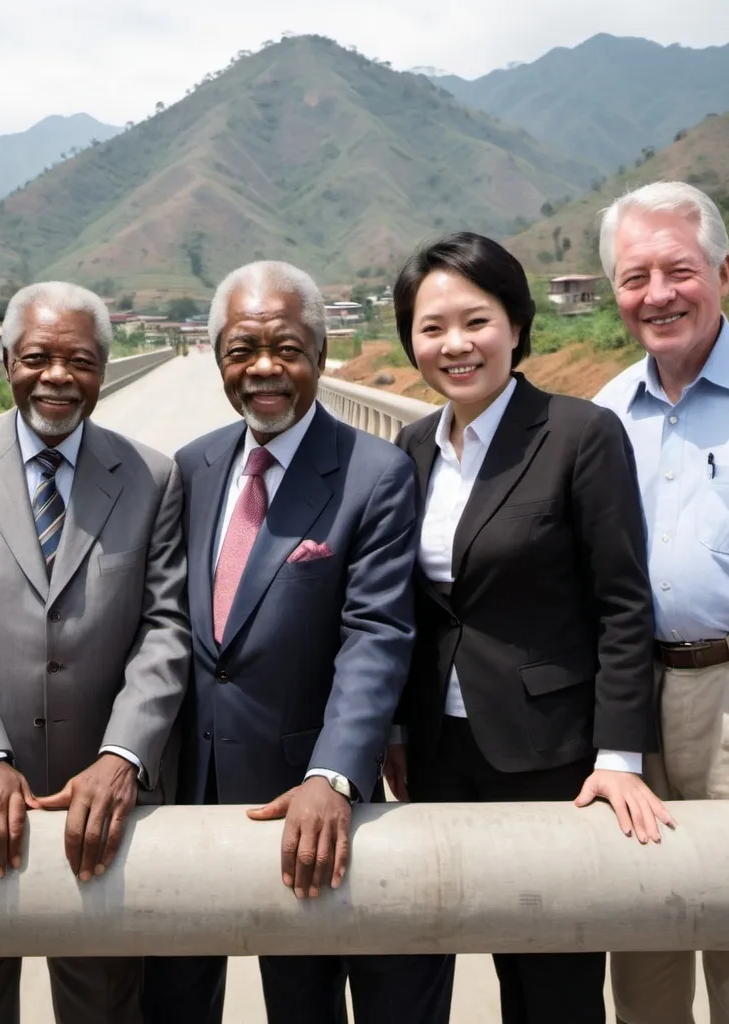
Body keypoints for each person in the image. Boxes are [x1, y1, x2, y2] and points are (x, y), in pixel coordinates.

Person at [142, 260, 452, 1024]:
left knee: (306, 995)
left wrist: (336, 775)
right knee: (177, 997)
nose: (264, 369)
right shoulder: (195, 465)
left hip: (305, 798)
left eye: (287, 347)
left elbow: (376, 634)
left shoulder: (373, 474)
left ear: (321, 353)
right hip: (194, 791)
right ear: (218, 359)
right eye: (242, 349)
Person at [383, 233, 670, 1024]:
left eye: (475, 321)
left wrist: (620, 755)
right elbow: (409, 611)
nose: (455, 345)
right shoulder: (410, 449)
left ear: (515, 323)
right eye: (431, 327)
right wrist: (400, 731)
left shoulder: (579, 433)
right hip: (439, 755)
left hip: (552, 753)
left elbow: (622, 603)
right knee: (422, 963)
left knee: (549, 980)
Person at [0, 282, 190, 1024]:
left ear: (104, 368)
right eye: (38, 358)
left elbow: (166, 628)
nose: (57, 377)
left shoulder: (152, 477)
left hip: (105, 805)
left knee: (104, 999)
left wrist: (124, 756)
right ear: (6, 363)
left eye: (80, 362)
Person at [595, 181, 729, 1024]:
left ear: (725, 272)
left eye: (679, 270)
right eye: (635, 278)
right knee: (644, 946)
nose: (658, 295)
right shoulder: (602, 417)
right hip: (636, 702)